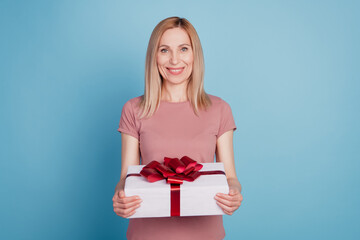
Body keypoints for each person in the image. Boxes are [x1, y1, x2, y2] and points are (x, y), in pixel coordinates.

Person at [112, 16, 243, 240]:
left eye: (183, 49)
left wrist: (234, 194)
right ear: (154, 56)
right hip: (147, 234)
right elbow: (126, 177)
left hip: (205, 234)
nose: (174, 60)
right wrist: (120, 197)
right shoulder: (134, 109)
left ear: (195, 55)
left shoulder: (220, 109)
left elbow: (230, 177)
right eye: (164, 50)